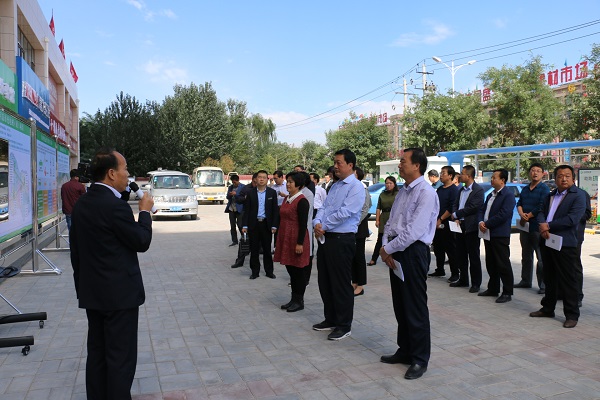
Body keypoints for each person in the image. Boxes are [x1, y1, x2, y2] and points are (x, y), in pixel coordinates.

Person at [70, 148, 154, 399]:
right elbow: (141, 241)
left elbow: (76, 252)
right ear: (111, 173)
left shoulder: (83, 204)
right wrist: (145, 212)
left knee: (97, 354)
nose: (128, 175)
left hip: (93, 294)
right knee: (120, 358)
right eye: (125, 169)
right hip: (119, 298)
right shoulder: (114, 207)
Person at [379, 148, 438, 380]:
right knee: (401, 305)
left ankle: (420, 359)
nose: (399, 165)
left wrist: (387, 249)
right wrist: (385, 245)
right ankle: (404, 350)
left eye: (403, 161)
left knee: (415, 307)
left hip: (413, 252)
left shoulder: (426, 193)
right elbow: (391, 223)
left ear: (417, 165)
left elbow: (414, 231)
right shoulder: (403, 191)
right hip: (396, 250)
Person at [312, 149, 365, 341]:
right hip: (326, 238)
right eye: (334, 162)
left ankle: (344, 325)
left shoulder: (356, 187)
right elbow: (323, 207)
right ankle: (331, 318)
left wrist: (323, 226)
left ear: (350, 165)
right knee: (325, 281)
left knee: (341, 284)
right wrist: (316, 223)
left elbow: (345, 213)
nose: (335, 166)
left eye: (339, 163)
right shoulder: (334, 186)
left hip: (342, 240)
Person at [530, 165, 586, 328]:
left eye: (567, 176)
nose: (564, 179)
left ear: (573, 178)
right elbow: (541, 211)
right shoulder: (550, 195)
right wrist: (542, 224)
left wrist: (548, 226)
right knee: (549, 277)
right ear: (555, 179)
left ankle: (572, 315)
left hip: (565, 243)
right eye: (560, 176)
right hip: (548, 240)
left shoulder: (578, 195)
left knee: (568, 280)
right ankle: (548, 308)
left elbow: (572, 219)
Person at [477, 169, 516, 303]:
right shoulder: (491, 194)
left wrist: (487, 224)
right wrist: (481, 222)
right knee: (491, 262)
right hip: (488, 233)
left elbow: (504, 214)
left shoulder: (508, 195)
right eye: (492, 177)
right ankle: (493, 288)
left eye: (494, 177)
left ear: (502, 180)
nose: (492, 180)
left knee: (502, 263)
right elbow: (482, 210)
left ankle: (507, 291)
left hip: (499, 234)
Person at [274, 171, 310, 312]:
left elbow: (303, 224)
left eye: (291, 182)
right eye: (287, 181)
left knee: (298, 272)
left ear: (299, 184)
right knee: (291, 270)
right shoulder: (286, 199)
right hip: (286, 237)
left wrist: (300, 243)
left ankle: (299, 301)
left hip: (296, 239)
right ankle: (293, 299)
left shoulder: (302, 201)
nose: (288, 184)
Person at [515, 163, 549, 293]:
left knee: (540, 257)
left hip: (536, 227)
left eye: (538, 171)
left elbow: (541, 206)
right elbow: (519, 203)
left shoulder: (544, 189)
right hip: (525, 227)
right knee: (526, 255)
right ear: (529, 173)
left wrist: (528, 216)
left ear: (542, 174)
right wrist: (521, 214)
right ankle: (525, 280)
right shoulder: (525, 188)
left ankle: (543, 285)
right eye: (533, 170)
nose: (535, 173)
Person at [450, 165, 484, 292]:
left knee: (473, 256)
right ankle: (463, 279)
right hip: (459, 225)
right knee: (461, 255)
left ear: (469, 176)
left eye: (462, 173)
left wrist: (457, 214)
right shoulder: (461, 190)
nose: (460, 175)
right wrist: (455, 216)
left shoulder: (478, 190)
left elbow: (473, 207)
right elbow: (455, 204)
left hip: (471, 227)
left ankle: (476, 283)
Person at [242, 170, 279, 279]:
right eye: (259, 177)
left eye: (264, 177)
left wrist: (274, 225)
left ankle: (269, 271)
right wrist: (245, 225)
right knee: (254, 249)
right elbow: (247, 210)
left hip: (266, 225)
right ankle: (255, 271)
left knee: (267, 249)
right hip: (254, 224)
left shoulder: (272, 193)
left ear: (267, 179)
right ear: (256, 179)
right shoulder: (250, 193)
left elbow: (275, 211)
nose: (261, 179)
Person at [428, 166, 459, 279]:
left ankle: (455, 273)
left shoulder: (454, 190)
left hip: (447, 223)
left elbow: (451, 207)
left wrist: (441, 219)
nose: (441, 175)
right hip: (436, 222)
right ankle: (440, 269)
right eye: (441, 173)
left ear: (450, 176)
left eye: (443, 173)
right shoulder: (440, 189)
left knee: (450, 248)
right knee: (438, 247)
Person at [368, 176, 399, 266]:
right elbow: (378, 208)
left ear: (394, 184)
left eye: (390, 183)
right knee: (380, 239)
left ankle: (393, 258)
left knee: (393, 238)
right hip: (384, 217)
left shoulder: (398, 194)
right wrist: (377, 220)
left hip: (394, 217)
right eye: (387, 183)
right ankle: (374, 259)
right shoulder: (382, 194)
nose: (388, 185)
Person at [351, 167, 371, 297]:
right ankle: (354, 282)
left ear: (358, 175)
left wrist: (354, 223)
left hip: (359, 227)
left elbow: (365, 208)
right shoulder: (352, 188)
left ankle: (360, 285)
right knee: (352, 256)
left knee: (359, 257)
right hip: (352, 227)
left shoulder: (363, 189)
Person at [231, 173, 257, 268]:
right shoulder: (246, 188)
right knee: (244, 239)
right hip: (247, 218)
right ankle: (240, 260)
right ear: (253, 180)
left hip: (259, 220)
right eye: (255, 181)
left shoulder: (265, 190)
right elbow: (238, 199)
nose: (257, 183)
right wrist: (245, 198)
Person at [224, 174, 245, 246]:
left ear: (238, 181)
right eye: (233, 182)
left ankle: (244, 238)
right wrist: (230, 195)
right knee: (232, 226)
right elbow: (227, 197)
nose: (234, 184)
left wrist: (236, 194)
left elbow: (243, 198)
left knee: (240, 225)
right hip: (231, 209)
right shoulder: (230, 187)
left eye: (235, 182)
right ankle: (234, 241)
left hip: (239, 209)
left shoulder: (243, 187)